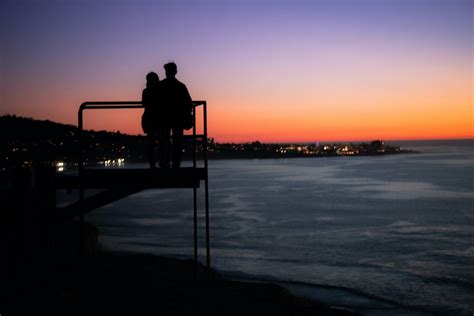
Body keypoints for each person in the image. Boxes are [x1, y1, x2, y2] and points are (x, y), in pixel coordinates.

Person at [159, 62, 193, 168]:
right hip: (178, 118)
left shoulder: (161, 85)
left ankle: (165, 162)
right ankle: (176, 163)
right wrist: (186, 114)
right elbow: (189, 103)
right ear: (176, 72)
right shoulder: (181, 86)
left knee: (164, 141)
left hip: (164, 117)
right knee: (177, 141)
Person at [141, 72, 161, 168]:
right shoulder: (160, 90)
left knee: (151, 142)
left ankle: (152, 164)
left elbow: (144, 104)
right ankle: (163, 162)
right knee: (162, 141)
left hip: (148, 118)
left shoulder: (145, 91)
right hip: (158, 118)